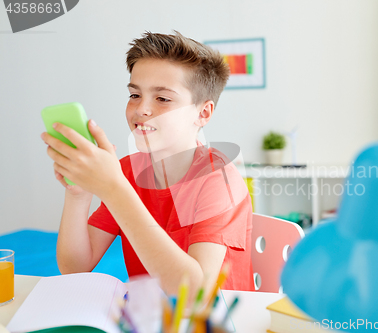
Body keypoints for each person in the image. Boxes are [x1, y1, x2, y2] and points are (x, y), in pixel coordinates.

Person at [40, 31, 254, 301]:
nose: (141, 109)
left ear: (203, 113)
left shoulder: (218, 180)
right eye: (134, 95)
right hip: (152, 316)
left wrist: (114, 188)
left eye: (162, 99)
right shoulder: (127, 171)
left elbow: (195, 295)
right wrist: (78, 193)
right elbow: (74, 267)